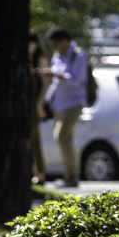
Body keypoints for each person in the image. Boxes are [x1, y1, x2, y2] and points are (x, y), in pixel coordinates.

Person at [44, 27, 89, 188]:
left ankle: (71, 174)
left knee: (61, 136)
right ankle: (71, 176)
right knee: (65, 140)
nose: (54, 48)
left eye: (55, 44)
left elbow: (77, 80)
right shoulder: (57, 56)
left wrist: (58, 75)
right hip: (59, 103)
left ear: (64, 41)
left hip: (74, 102)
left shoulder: (78, 55)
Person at [28, 33, 50, 184]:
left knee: (32, 138)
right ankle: (38, 173)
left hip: (35, 105)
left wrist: (40, 104)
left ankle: (40, 173)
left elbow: (46, 84)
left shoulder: (40, 60)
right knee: (33, 139)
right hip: (26, 105)